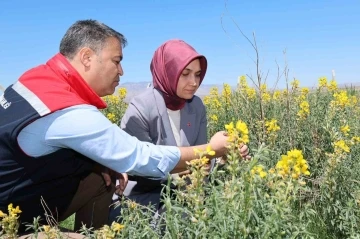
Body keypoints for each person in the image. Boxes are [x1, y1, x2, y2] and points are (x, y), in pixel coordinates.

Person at [0, 20, 242, 234]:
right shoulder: (67, 111)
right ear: (86, 57)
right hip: (6, 218)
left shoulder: (36, 80)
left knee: (100, 176)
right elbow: (140, 157)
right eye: (116, 61)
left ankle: (93, 232)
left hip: (17, 195)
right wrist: (211, 150)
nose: (122, 70)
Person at [108, 39, 250, 223]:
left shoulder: (196, 106)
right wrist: (210, 152)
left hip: (188, 193)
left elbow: (202, 160)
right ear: (168, 73)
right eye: (185, 74)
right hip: (144, 200)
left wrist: (223, 158)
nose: (194, 82)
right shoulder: (141, 108)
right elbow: (146, 168)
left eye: (198, 74)